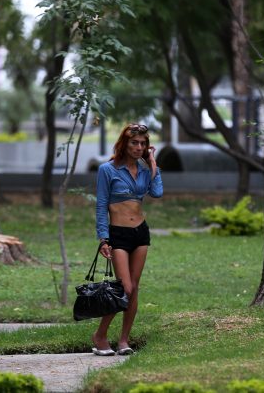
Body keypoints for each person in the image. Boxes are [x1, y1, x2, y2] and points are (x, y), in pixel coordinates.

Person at [92, 123, 163, 356]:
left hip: (140, 232)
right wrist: (103, 238)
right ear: (125, 143)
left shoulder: (145, 169)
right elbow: (102, 205)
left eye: (143, 144)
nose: (139, 147)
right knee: (126, 288)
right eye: (135, 143)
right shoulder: (107, 170)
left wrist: (153, 165)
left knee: (135, 288)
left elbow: (156, 192)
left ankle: (123, 340)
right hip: (118, 234)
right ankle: (100, 335)